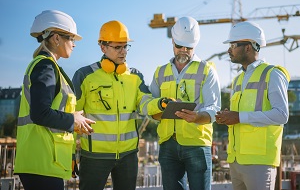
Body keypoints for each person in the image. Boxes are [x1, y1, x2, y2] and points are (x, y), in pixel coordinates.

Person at [72, 20, 171, 190]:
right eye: (118, 47)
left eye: (125, 47)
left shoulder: (135, 76)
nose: (123, 52)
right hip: (95, 157)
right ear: (103, 47)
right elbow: (73, 115)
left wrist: (161, 103)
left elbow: (145, 103)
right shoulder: (85, 76)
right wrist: (71, 153)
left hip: (128, 156)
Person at [14, 10, 95, 190]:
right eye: (71, 39)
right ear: (56, 38)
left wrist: (74, 120)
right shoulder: (46, 67)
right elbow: (40, 113)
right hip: (41, 163)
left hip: (43, 163)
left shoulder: (48, 66)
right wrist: (72, 119)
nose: (74, 44)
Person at [215, 21, 290, 190]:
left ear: (248, 47)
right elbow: (241, 114)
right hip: (236, 160)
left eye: (233, 45)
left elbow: (281, 115)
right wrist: (228, 116)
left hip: (259, 162)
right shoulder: (238, 80)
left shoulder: (272, 74)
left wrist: (239, 117)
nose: (229, 50)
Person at [149, 16, 221, 190]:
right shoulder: (160, 72)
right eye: (179, 46)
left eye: (188, 47)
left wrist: (198, 116)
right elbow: (150, 103)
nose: (183, 50)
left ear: (195, 45)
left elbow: (214, 108)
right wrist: (158, 109)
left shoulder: (206, 70)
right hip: (168, 144)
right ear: (172, 41)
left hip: (197, 144)